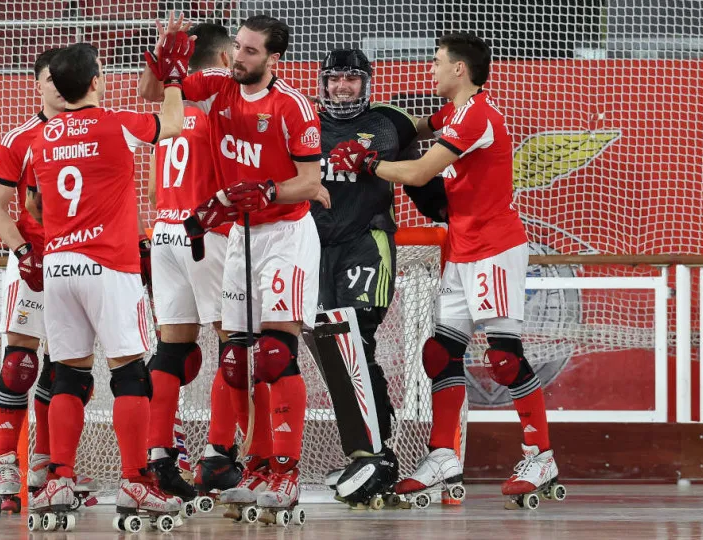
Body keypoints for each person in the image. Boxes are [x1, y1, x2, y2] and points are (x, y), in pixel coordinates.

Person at [329, 33, 561, 505]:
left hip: (494, 246)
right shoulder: (451, 114)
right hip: (461, 246)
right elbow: (415, 128)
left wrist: (369, 160)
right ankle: (442, 454)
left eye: (436, 63)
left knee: (504, 356)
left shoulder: (477, 115)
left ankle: (540, 454)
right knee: (440, 353)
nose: (430, 70)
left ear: (459, 70)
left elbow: (417, 173)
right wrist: (380, 130)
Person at [141, 13, 326, 521]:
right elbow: (156, 95)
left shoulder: (293, 106)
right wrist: (164, 57)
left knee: (274, 353)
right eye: (237, 47)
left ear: (273, 59)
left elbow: (309, 183)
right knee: (236, 358)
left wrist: (267, 189)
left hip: (285, 233)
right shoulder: (218, 85)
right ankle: (256, 465)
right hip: (240, 233)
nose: (237, 57)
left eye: (249, 51)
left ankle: (287, 471)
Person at [24, 36, 191, 525]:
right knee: (129, 374)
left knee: (68, 375)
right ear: (97, 81)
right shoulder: (115, 124)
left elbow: (35, 204)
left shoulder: (43, 136)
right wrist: (174, 78)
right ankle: (136, 482)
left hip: (59, 267)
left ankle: (57, 478)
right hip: (108, 266)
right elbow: (175, 124)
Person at [309, 47, 444, 508]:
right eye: (334, 79)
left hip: (368, 244)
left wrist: (446, 212)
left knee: (358, 339)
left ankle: (379, 454)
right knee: (330, 348)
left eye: (351, 79)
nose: (342, 87)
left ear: (367, 83)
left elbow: (430, 144)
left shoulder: (390, 121)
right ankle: (366, 451)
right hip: (311, 249)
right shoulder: (304, 120)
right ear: (322, 82)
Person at [143, 22, 244, 505]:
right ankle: (218, 453)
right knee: (233, 340)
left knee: (173, 350)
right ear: (225, 60)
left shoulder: (172, 101)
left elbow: (152, 190)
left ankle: (159, 456)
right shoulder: (216, 96)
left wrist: (160, 65)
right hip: (207, 231)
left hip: (163, 227)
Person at [0, 47, 90, 514]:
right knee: (19, 362)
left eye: (62, 77)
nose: (56, 84)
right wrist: (23, 251)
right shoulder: (18, 139)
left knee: (66, 368)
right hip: (32, 260)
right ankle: (6, 463)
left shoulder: (93, 130)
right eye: (49, 77)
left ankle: (48, 465)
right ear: (38, 84)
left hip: (78, 260)